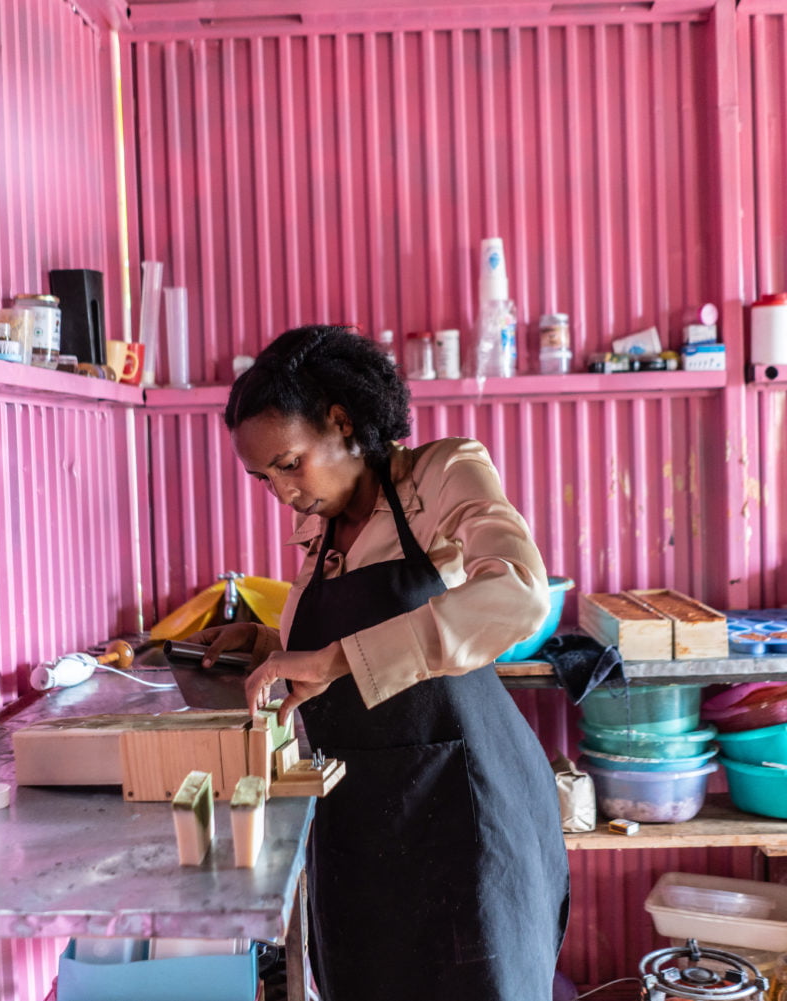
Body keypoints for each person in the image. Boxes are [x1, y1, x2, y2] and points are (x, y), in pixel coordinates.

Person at [190, 324, 570, 1001]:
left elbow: (519, 594)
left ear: (342, 423)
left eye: (290, 463)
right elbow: (337, 641)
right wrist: (269, 644)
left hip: (465, 808)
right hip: (361, 818)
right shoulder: (319, 529)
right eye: (263, 477)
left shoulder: (441, 475)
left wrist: (339, 659)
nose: (282, 492)